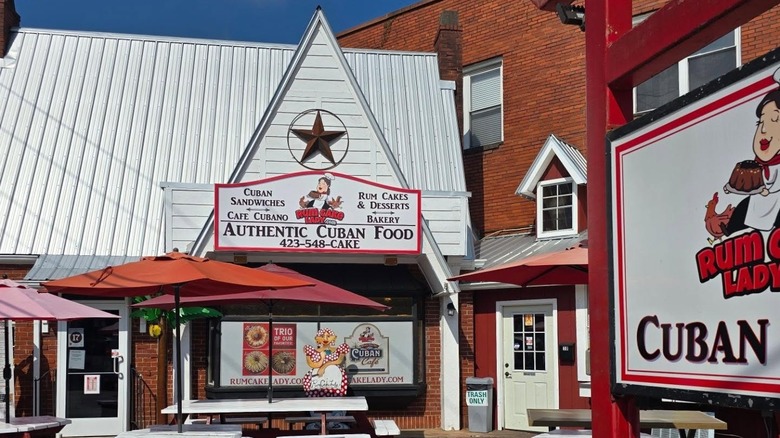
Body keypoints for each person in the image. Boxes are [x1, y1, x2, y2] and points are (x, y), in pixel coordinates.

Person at [723, 70, 780, 235]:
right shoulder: (759, 165)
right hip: (760, 199)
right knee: (744, 209)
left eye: (775, 120)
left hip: (774, 200)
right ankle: (730, 230)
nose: (763, 129)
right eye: (761, 121)